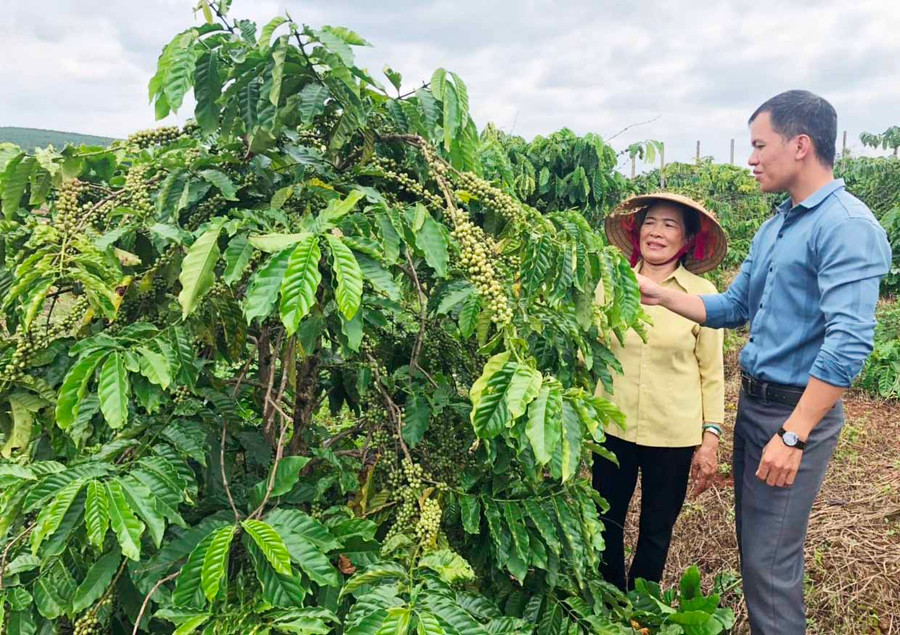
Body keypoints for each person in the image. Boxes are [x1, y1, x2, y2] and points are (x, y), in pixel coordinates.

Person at [635, 90, 891, 634]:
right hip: (755, 406)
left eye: (758, 145)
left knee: (770, 566)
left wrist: (794, 434)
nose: (750, 159)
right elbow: (734, 306)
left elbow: (849, 343)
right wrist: (657, 294)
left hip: (791, 415)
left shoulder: (845, 224)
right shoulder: (779, 224)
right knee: (756, 552)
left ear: (800, 145)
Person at [593, 192, 728, 592]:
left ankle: (641, 606)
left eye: (670, 225)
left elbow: (712, 372)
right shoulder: (610, 283)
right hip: (611, 424)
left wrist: (710, 438)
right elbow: (590, 349)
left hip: (672, 434)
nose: (657, 232)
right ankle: (608, 599)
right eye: (651, 222)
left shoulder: (701, 295)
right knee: (605, 520)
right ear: (637, 232)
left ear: (686, 240)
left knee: (656, 527)